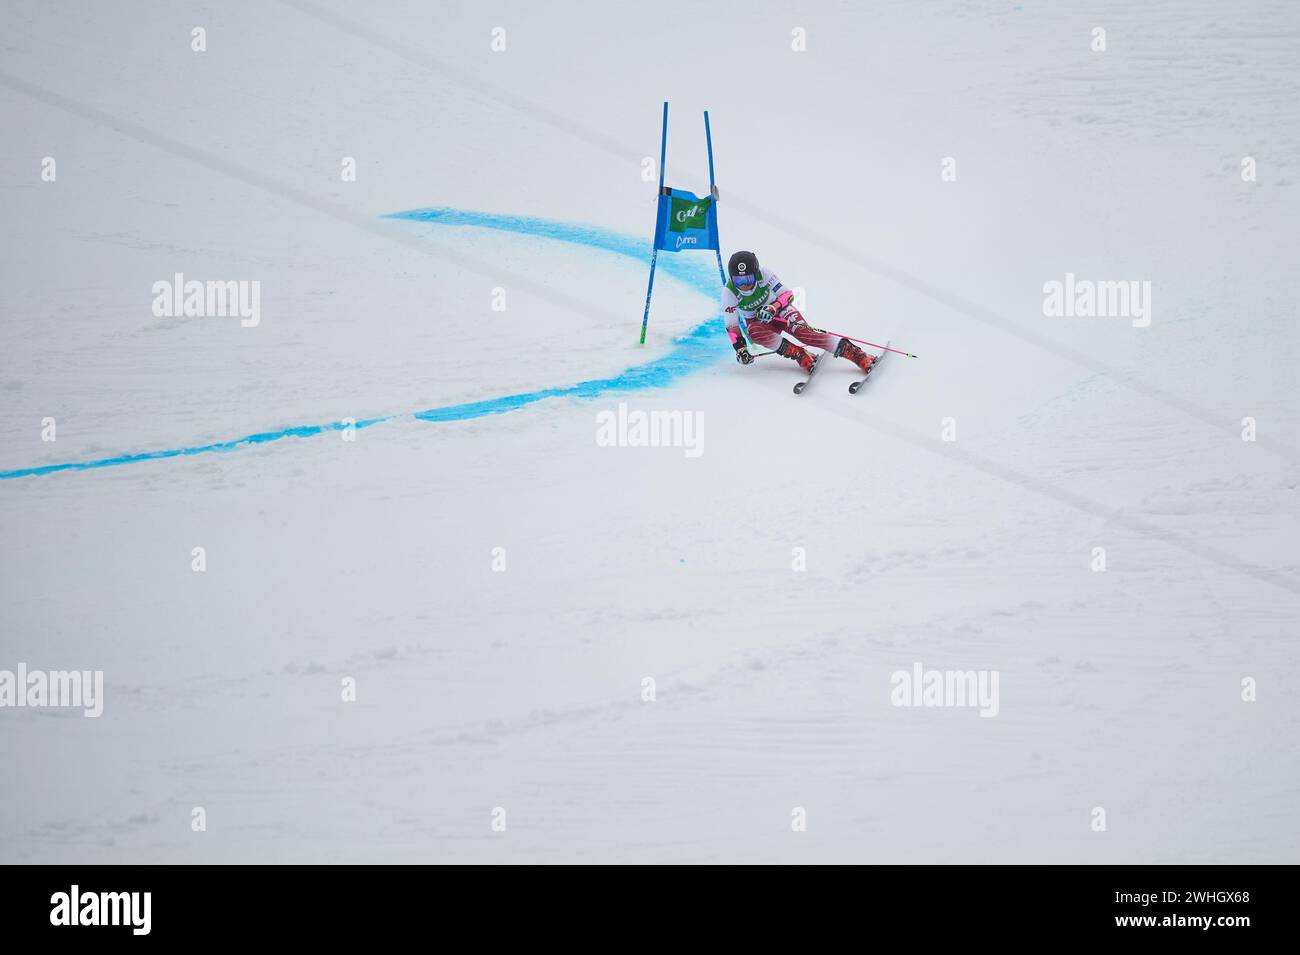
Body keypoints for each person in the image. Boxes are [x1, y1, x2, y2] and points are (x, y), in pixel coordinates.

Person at [721, 250, 875, 374]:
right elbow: (732, 327)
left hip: (780, 311)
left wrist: (773, 307)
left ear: (755, 274)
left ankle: (857, 355)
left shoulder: (764, 274)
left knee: (804, 334)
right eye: (738, 281)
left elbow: (788, 295)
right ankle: (800, 355)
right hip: (758, 322)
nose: (744, 285)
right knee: (753, 332)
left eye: (748, 279)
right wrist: (740, 349)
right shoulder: (729, 293)